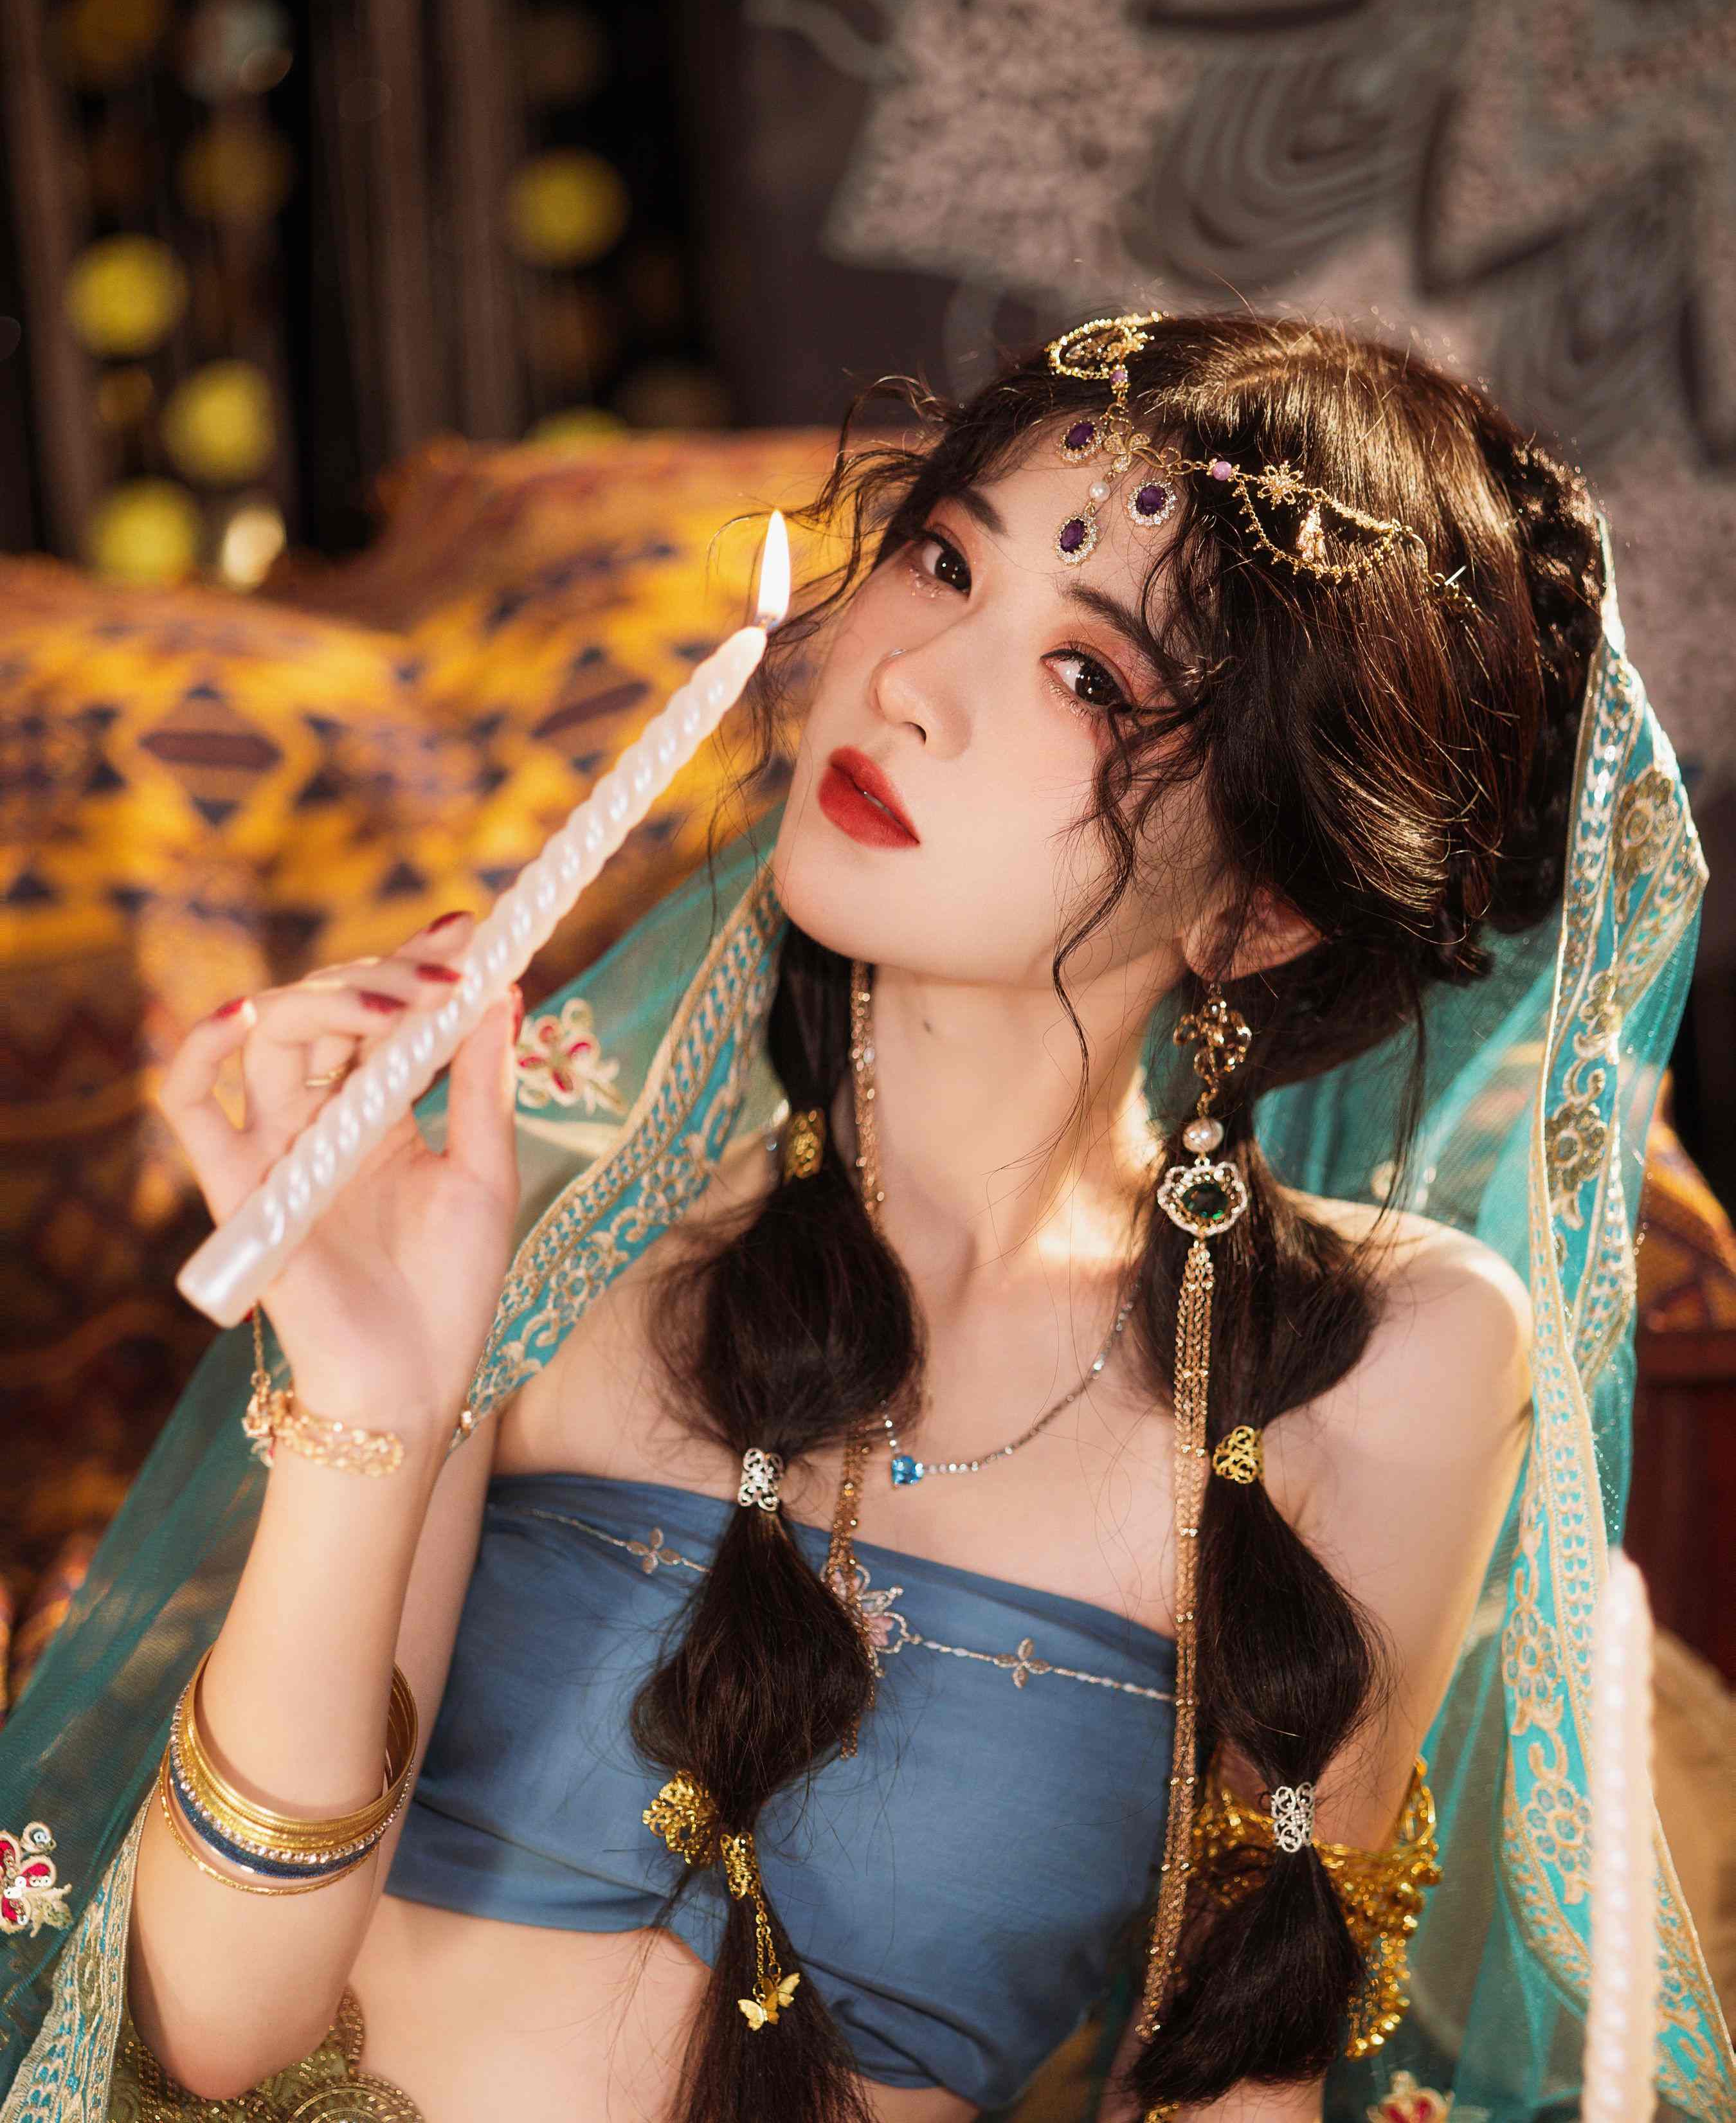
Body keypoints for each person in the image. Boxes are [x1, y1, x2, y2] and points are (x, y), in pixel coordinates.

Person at [0, 311, 1726, 2123]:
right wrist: (369, 1402)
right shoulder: (537, 1214)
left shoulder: (1376, 1365)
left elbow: (1238, 2081)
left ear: (1261, 911)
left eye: (1089, 676)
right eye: (945, 562)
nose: (908, 680)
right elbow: (213, 2027)